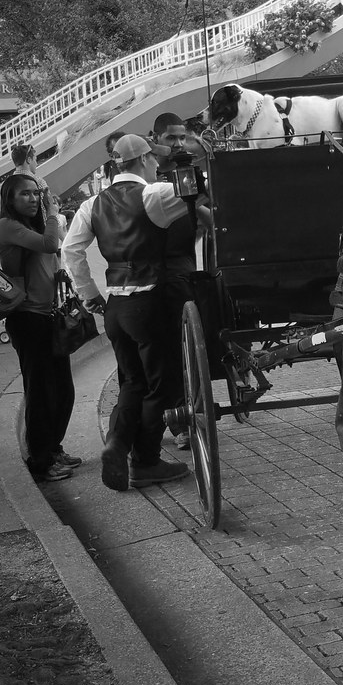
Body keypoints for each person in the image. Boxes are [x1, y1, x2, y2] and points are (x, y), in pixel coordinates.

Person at [62, 134, 208, 492]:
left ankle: (116, 442)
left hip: (116, 305)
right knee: (163, 385)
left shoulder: (91, 204)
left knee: (131, 381)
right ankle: (144, 460)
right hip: (151, 300)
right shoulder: (153, 195)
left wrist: (90, 294)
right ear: (143, 160)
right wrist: (189, 166)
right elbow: (197, 196)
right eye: (152, 159)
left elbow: (71, 250)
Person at [0, 174, 80, 482]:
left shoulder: (32, 225)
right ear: (10, 200)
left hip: (47, 316)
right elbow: (50, 243)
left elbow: (48, 254)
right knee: (41, 391)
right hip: (27, 319)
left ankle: (53, 448)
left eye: (35, 193)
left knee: (63, 390)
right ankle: (40, 460)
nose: (32, 199)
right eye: (25, 195)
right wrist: (54, 212)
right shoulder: (7, 226)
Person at [150, 112, 204, 451]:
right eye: (171, 139)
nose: (180, 144)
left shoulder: (193, 173)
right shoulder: (145, 176)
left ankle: (187, 417)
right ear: (155, 141)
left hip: (185, 266)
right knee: (164, 352)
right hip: (152, 271)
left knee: (189, 346)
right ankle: (172, 422)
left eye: (183, 138)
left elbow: (203, 212)